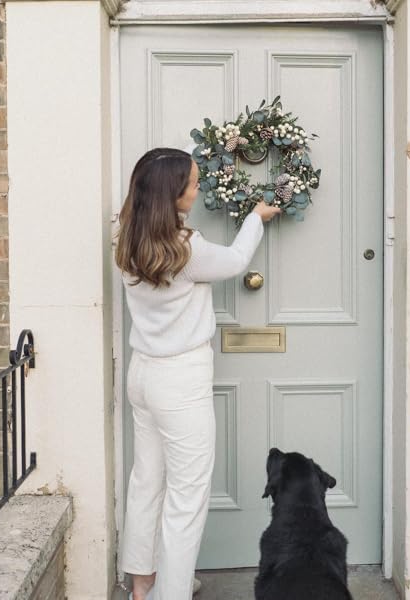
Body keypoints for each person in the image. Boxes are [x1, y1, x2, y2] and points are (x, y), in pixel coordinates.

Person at [113, 147, 281, 599]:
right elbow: (236, 261)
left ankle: (142, 582)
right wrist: (256, 217)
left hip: (142, 375)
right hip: (180, 381)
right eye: (191, 182)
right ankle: (171, 593)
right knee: (186, 497)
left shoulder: (128, 237)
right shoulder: (185, 249)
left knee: (147, 480)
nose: (197, 187)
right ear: (172, 193)